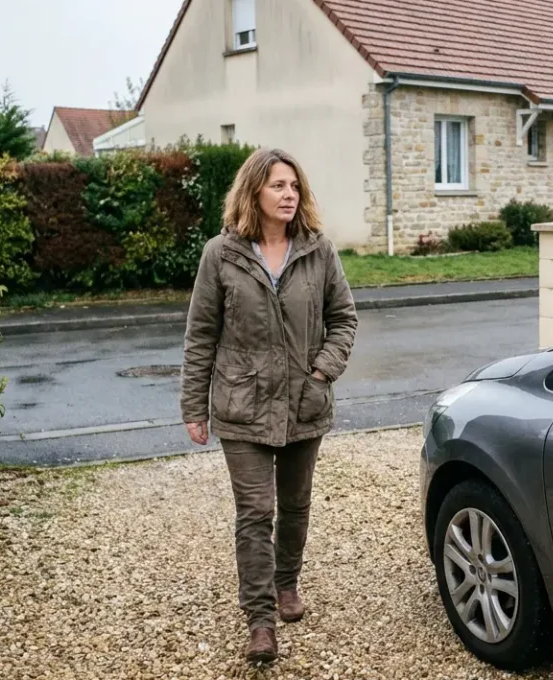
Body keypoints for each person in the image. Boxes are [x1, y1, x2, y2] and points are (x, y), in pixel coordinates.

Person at [180, 148, 358, 664]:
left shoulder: (318, 250)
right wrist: (195, 406)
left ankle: (286, 584)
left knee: (296, 505)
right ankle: (260, 620)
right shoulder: (221, 253)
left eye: (294, 187)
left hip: (305, 401)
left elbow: (344, 318)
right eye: (278, 185)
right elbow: (201, 336)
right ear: (253, 191)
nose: (288, 195)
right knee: (256, 511)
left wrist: (322, 370)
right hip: (242, 405)